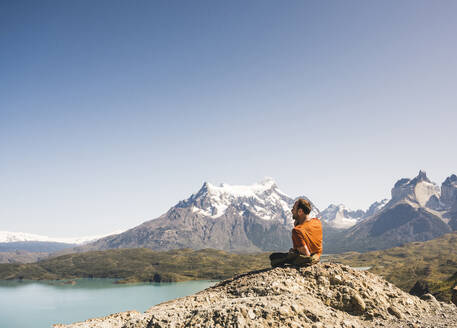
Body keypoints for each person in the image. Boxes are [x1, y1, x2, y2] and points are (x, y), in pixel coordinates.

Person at [270, 198, 323, 267]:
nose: (292, 211)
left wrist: (293, 253)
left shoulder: (297, 231)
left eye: (293, 209)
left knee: (273, 257)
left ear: (300, 211)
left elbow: (306, 254)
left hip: (309, 259)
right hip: (317, 256)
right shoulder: (317, 221)